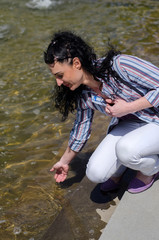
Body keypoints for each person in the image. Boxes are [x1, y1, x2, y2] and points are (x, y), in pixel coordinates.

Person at [44, 31, 159, 194]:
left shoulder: (120, 65)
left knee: (126, 149)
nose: (59, 82)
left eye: (60, 75)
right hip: (133, 125)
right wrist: (64, 162)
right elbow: (81, 130)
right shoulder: (83, 93)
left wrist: (129, 107)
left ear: (76, 63)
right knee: (96, 173)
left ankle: (151, 169)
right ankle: (132, 160)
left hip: (156, 119)